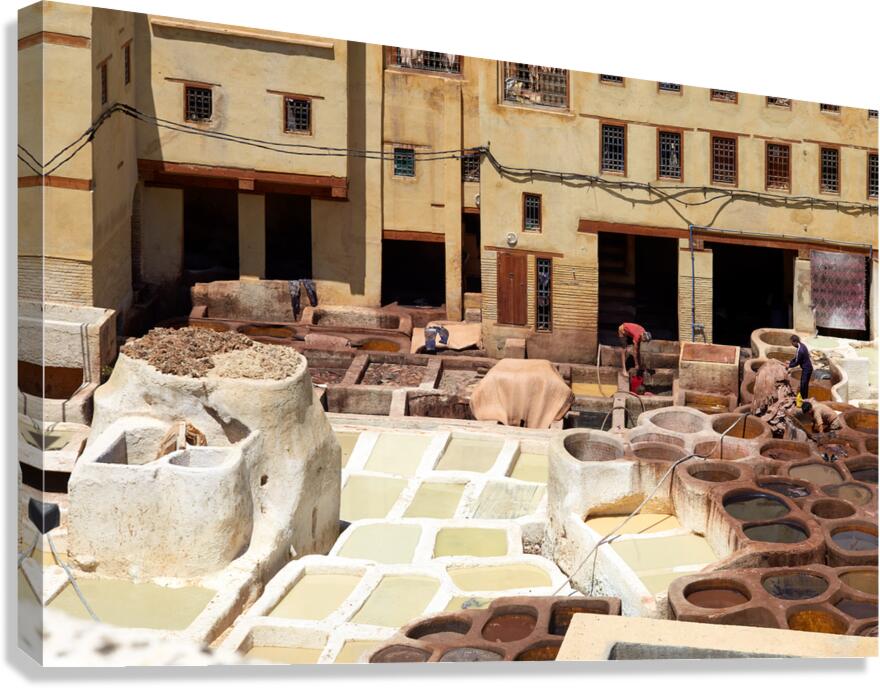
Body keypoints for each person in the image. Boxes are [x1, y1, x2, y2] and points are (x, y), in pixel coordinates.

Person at [787, 334, 813, 407]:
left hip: (807, 369)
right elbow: (796, 358)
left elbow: (797, 362)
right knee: (804, 385)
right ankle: (804, 400)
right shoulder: (802, 345)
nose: (792, 344)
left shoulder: (800, 350)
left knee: (803, 385)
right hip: (808, 368)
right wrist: (790, 362)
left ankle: (803, 402)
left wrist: (789, 365)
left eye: (792, 342)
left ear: (795, 342)